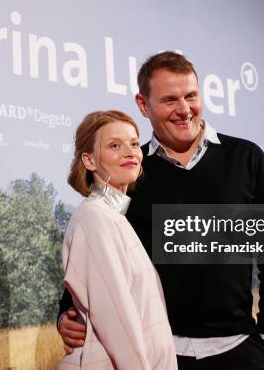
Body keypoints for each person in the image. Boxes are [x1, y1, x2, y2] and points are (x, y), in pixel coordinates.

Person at [58, 52, 264, 369]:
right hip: (160, 357)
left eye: (191, 96)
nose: (184, 110)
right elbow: (96, 253)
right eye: (170, 99)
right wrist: (67, 312)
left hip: (239, 352)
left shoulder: (247, 158)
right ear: (144, 105)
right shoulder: (128, 170)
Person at [58, 110, 177, 369]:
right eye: (115, 145)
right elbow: (117, 321)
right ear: (89, 161)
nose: (130, 151)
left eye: (134, 143)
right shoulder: (94, 218)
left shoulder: (115, 218)